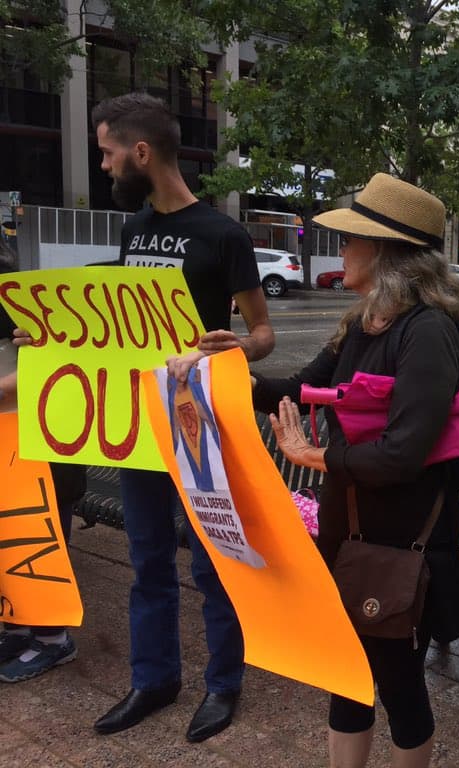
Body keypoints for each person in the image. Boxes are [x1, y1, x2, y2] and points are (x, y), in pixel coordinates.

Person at [251, 173, 459, 768]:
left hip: (404, 544)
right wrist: (231, 372)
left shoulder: (427, 332)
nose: (340, 251)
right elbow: (299, 390)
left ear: (384, 252)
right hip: (349, 532)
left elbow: (404, 454)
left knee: (399, 684)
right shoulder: (360, 321)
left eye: (350, 241)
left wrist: (316, 457)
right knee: (345, 674)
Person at [77, 92, 275, 741]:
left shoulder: (224, 234)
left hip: (201, 424)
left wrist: (234, 345)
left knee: (211, 561)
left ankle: (223, 683)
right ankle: (154, 678)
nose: (103, 166)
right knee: (147, 557)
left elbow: (264, 332)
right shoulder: (133, 231)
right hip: (141, 424)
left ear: (140, 152)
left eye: (107, 153)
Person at [0, 260, 88, 684]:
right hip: (14, 436)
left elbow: (63, 356)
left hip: (38, 438)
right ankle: (16, 626)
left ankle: (52, 637)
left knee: (36, 535)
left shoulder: (25, 296)